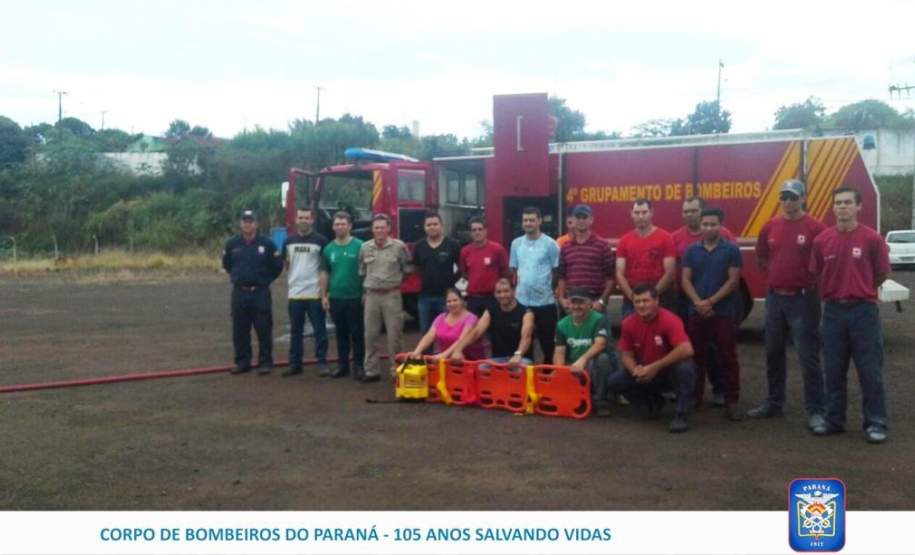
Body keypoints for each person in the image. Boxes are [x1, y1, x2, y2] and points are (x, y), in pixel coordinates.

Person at [810, 186, 891, 444]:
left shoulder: (872, 239)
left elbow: (881, 274)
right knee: (833, 370)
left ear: (859, 206)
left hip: (863, 311)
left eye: (847, 202)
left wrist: (860, 289)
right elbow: (817, 272)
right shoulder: (822, 240)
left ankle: (875, 423)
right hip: (833, 312)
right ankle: (834, 420)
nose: (842, 207)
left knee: (870, 371)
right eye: (838, 203)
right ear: (833, 207)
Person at [746, 180, 827, 433]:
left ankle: (816, 410)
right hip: (775, 299)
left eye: (793, 197)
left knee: (808, 355)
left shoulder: (816, 228)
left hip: (804, 299)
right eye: (784, 197)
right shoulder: (770, 226)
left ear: (803, 198)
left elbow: (825, 262)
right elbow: (761, 257)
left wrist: (804, 280)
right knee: (773, 352)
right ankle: (774, 402)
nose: (788, 201)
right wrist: (779, 276)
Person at [672, 196, 737, 407]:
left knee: (727, 355)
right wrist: (698, 303)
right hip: (694, 309)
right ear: (701, 225)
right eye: (705, 224)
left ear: (720, 225)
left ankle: (730, 400)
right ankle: (695, 397)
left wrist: (710, 301)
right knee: (695, 355)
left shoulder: (731, 248)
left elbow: (733, 280)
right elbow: (685, 279)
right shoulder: (690, 250)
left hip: (724, 310)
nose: (709, 228)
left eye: (713, 224)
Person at [608, 284, 696, 433]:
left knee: (685, 369)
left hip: (667, 370)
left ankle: (682, 414)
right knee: (614, 381)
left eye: (646, 301)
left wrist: (655, 367)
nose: (641, 305)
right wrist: (635, 370)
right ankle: (652, 403)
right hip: (645, 370)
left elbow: (687, 349)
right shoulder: (628, 323)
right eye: (637, 301)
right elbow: (626, 355)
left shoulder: (670, 319)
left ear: (657, 301)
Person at [221, 209, 283, 375]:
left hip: (260, 292)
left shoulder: (267, 244)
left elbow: (277, 267)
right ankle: (242, 362)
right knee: (240, 329)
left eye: (251, 221)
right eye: (245, 221)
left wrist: (264, 280)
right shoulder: (232, 244)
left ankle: (265, 362)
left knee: (263, 328)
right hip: (239, 292)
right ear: (241, 224)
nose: (247, 224)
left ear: (256, 224)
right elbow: (227, 265)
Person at [359, 213, 412, 382]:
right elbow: (361, 271)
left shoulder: (399, 247)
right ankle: (371, 370)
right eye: (376, 227)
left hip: (392, 295)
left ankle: (397, 370)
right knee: (370, 335)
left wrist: (393, 284)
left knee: (394, 336)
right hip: (372, 296)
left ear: (389, 228)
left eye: (383, 227)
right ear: (372, 229)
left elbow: (407, 270)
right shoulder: (365, 247)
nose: (380, 230)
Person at [280, 208, 330, 377]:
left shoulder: (321, 241)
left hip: (314, 294)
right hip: (295, 294)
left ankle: (322, 362)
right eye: (300, 217)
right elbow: (286, 264)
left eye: (306, 218)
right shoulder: (288, 242)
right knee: (296, 331)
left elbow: (325, 268)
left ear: (312, 220)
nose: (303, 220)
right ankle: (295, 363)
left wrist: (324, 293)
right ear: (296, 219)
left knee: (319, 331)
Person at [553, 287, 616, 416]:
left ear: (590, 304)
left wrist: (582, 360)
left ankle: (601, 402)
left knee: (602, 359)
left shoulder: (600, 319)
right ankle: (577, 397)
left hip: (592, 365)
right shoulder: (561, 324)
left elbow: (600, 344)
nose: (577, 306)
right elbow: (559, 352)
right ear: (569, 304)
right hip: (574, 367)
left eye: (581, 302)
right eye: (574, 302)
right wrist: (562, 372)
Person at [510, 206, 560, 362]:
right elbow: (513, 270)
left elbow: (556, 271)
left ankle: (548, 375)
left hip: (545, 302)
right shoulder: (516, 244)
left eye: (532, 220)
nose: (528, 223)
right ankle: (527, 374)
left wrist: (550, 290)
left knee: (547, 344)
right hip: (523, 302)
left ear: (540, 221)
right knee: (525, 342)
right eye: (525, 220)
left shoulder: (551, 244)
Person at [322, 211, 365, 381]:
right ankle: (343, 366)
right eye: (337, 224)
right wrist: (324, 295)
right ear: (333, 226)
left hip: (355, 297)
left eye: (343, 224)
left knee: (357, 333)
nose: (339, 227)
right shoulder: (328, 249)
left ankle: (359, 366)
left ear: (350, 226)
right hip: (336, 298)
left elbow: (366, 271)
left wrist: (366, 292)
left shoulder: (360, 246)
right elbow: (324, 273)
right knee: (341, 333)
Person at [616, 198, 676, 318]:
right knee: (631, 334)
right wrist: (633, 297)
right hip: (632, 298)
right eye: (637, 213)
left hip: (660, 297)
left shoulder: (666, 238)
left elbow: (670, 273)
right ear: (631, 214)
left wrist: (652, 296)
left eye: (644, 212)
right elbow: (619, 274)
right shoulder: (624, 241)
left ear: (652, 212)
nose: (640, 216)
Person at [454, 277, 535, 364]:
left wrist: (518, 355)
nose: (502, 295)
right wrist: (458, 349)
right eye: (499, 292)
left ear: (514, 292)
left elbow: (526, 337)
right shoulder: (490, 311)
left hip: (521, 359)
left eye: (506, 291)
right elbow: (476, 332)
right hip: (498, 360)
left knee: (520, 369)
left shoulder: (526, 313)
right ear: (495, 294)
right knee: (482, 369)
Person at [556, 204, 615, 313]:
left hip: (594, 304)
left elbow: (610, 278)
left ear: (591, 220)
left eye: (584, 217)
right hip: (572, 305)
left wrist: (602, 301)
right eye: (578, 217)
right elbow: (562, 277)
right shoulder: (565, 247)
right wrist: (562, 299)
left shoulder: (602, 245)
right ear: (572, 220)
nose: (581, 220)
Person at [412, 211, 462, 337]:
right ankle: (427, 356)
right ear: (424, 227)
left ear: (441, 225)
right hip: (425, 297)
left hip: (446, 299)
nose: (432, 227)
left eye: (435, 224)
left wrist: (452, 281)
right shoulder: (419, 246)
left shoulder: (453, 244)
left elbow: (461, 268)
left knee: (448, 334)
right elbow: (416, 268)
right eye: (428, 225)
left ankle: (446, 357)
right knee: (426, 334)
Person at [409, 288, 485, 360]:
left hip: (470, 361)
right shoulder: (440, 317)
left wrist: (444, 355)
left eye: (455, 300)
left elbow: (462, 340)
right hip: (445, 361)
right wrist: (417, 351)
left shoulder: (471, 319)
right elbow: (429, 336)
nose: (452, 304)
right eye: (449, 301)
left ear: (462, 301)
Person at [460, 216, 510, 317]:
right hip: (473, 299)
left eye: (480, 229)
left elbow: (505, 272)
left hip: (493, 298)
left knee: (494, 330)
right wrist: (463, 296)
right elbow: (464, 275)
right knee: (474, 331)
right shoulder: (465, 251)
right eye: (474, 230)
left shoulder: (498, 250)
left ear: (486, 231)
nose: (477, 232)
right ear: (470, 233)